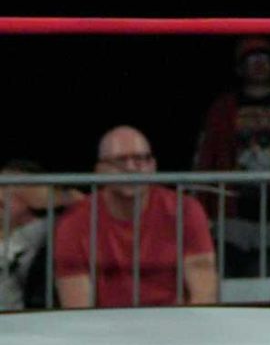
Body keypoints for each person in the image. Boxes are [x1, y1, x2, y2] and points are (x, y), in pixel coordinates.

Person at [51, 127, 218, 308]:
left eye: (140, 159)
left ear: (153, 166)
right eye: (119, 161)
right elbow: (78, 309)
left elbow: (204, 294)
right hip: (106, 323)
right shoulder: (74, 222)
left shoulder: (185, 210)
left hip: (173, 321)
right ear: (100, 170)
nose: (130, 168)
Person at [193, 36, 270, 284]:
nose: (259, 65)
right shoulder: (223, 108)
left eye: (264, 59)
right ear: (240, 68)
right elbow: (206, 158)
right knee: (224, 285)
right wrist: (201, 210)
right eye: (251, 60)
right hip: (230, 217)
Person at [2, 161, 81, 311]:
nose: (2, 193)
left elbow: (84, 203)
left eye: (11, 188)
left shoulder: (37, 230)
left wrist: (55, 197)